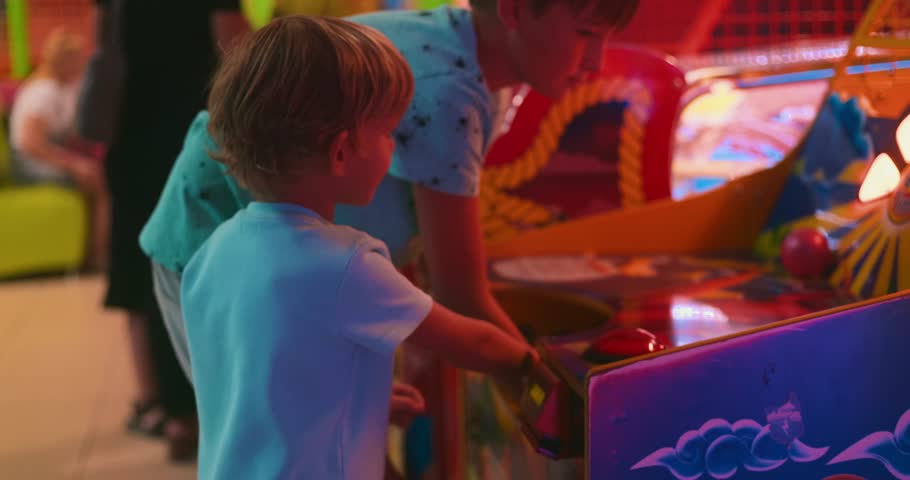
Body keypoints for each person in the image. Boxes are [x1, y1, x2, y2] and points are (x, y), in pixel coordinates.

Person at [140, 0, 638, 472]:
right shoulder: (445, 96)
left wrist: (354, 394)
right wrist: (558, 393)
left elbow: (268, 390)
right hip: (205, 220)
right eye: (586, 33)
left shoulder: (225, 254)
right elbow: (462, 302)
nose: (597, 60)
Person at [184, 16, 539, 479]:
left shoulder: (213, 253)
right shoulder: (348, 264)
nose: (395, 148)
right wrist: (537, 368)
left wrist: (349, 399)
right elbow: (472, 341)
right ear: (340, 153)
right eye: (389, 132)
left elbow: (255, 383)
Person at [90, 0, 249, 461]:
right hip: (196, 139)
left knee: (141, 265)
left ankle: (158, 405)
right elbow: (238, 51)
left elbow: (103, 53)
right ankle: (201, 408)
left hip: (130, 138)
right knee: (201, 264)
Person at [9, 28, 109, 270]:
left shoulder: (66, 89)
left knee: (99, 174)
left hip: (49, 156)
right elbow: (31, 143)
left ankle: (90, 254)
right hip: (27, 162)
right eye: (78, 58)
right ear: (64, 60)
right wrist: (73, 164)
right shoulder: (44, 91)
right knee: (98, 180)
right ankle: (98, 260)